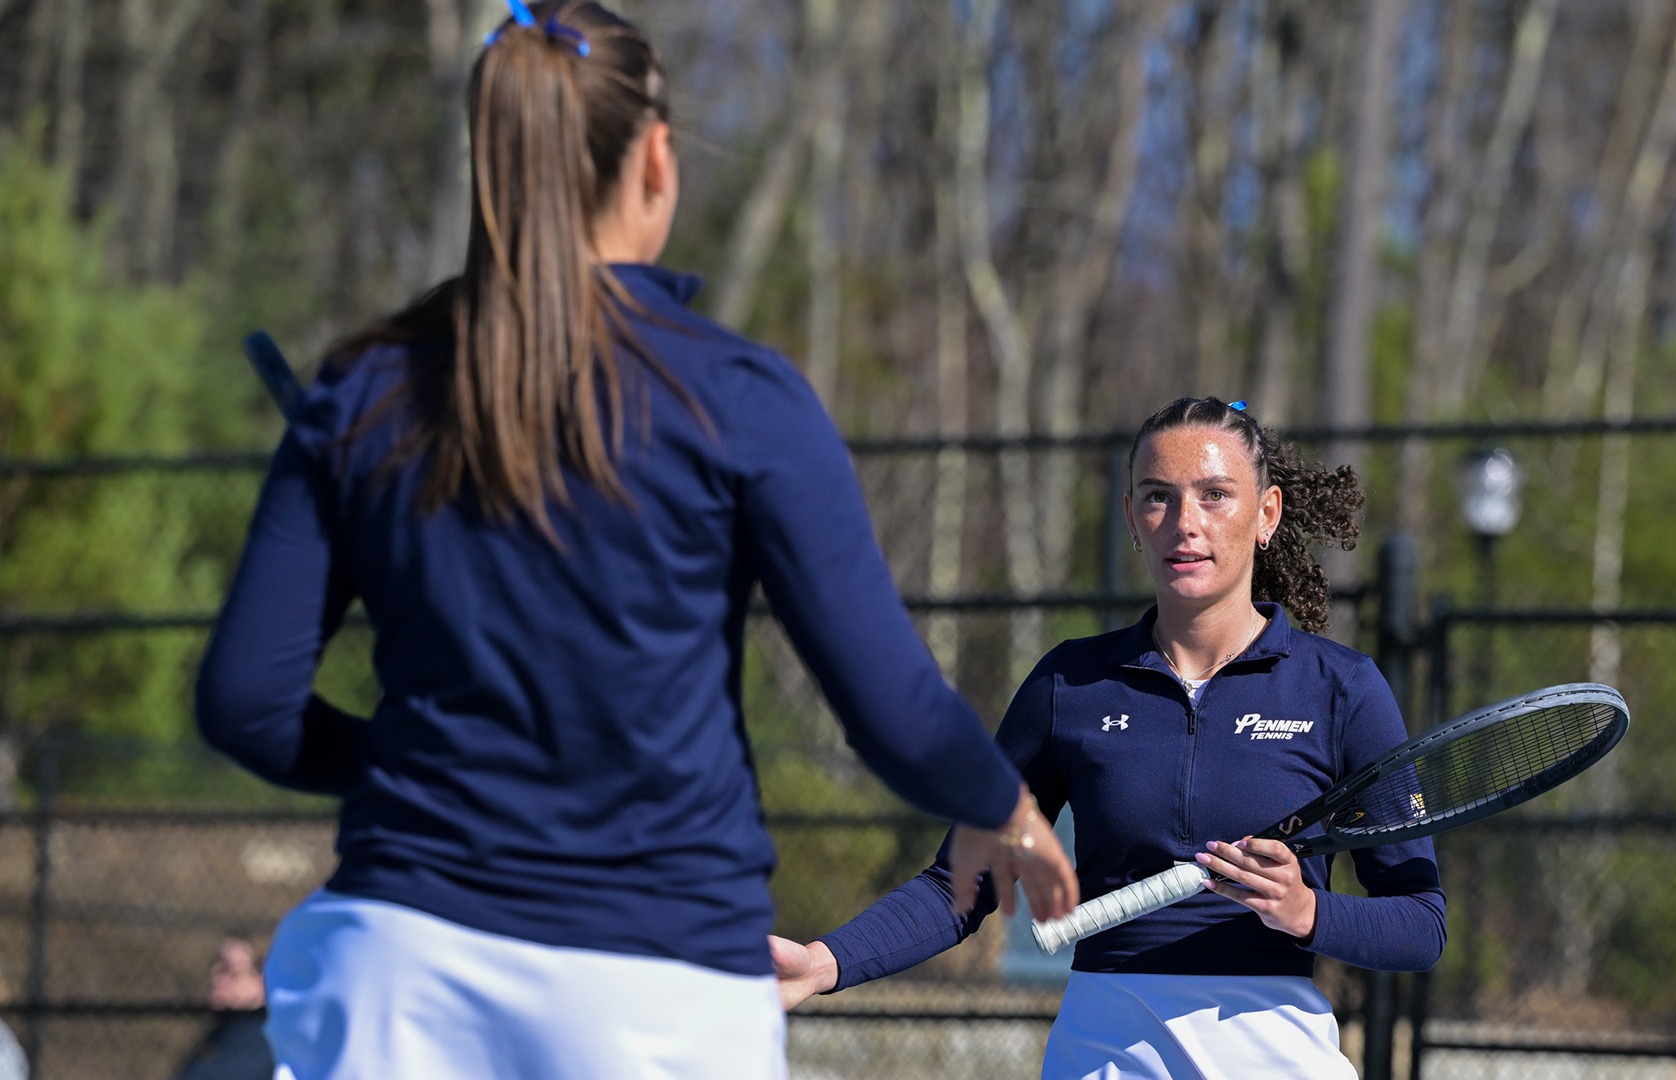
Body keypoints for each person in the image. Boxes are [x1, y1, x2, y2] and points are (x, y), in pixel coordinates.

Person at [192, 3, 1075, 1077]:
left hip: (396, 967)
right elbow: (888, 705)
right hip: (654, 986)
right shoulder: (737, 397)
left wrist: (421, 765)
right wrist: (1003, 805)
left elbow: (244, 701)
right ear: (656, 160)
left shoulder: (366, 388)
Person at [772, 396, 1447, 1079]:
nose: (1185, 524)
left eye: (1216, 495)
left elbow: (1421, 924)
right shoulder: (1069, 682)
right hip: (1104, 1052)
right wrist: (823, 963)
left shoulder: (1343, 688)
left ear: (1266, 514)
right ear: (1132, 518)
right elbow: (960, 883)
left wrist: (1307, 912)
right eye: (1159, 498)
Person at [170, 936, 274, 1080]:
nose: (216, 976)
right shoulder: (220, 1035)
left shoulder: (262, 1042)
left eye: (229, 970)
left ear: (260, 980)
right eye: (215, 966)